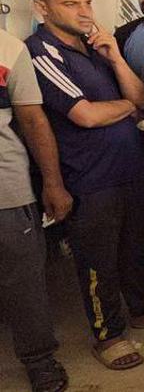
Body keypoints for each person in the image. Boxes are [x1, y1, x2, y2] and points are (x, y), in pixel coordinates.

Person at [25, 0, 144, 371]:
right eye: (71, 3)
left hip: (129, 169)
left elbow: (141, 96)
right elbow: (85, 116)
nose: (84, 11)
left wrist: (114, 56)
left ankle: (140, 310)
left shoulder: (95, 46)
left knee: (136, 249)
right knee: (98, 261)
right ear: (42, 8)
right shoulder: (41, 52)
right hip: (89, 178)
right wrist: (129, 109)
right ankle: (108, 334)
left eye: (86, 2)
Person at [0, 28, 72, 392]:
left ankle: (40, 361)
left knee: (24, 283)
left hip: (7, 191)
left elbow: (32, 120)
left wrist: (53, 183)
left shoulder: (8, 48)